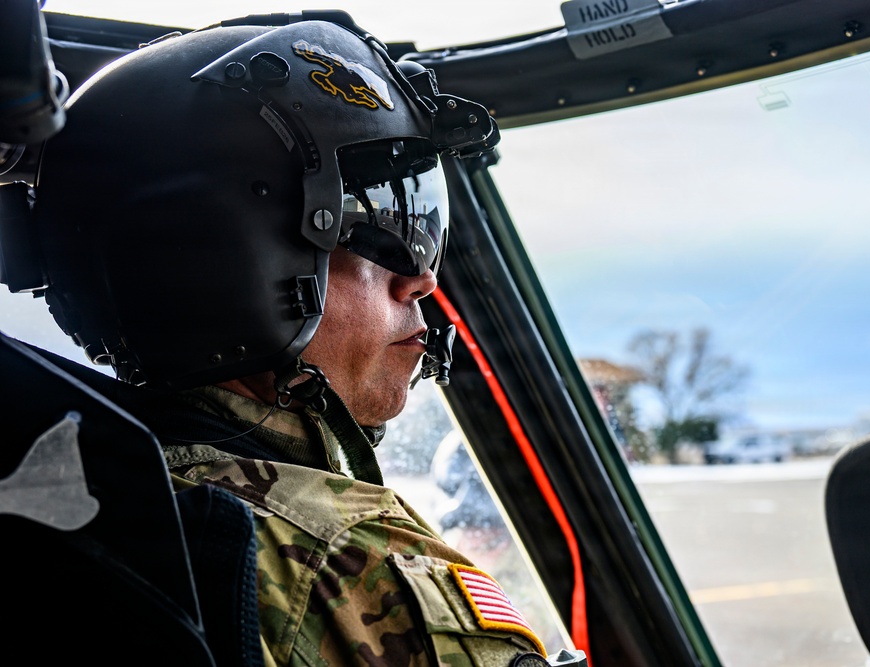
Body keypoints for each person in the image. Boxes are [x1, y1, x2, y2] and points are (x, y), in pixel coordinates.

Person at [2, 13, 563, 667]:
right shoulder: (344, 558)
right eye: (375, 232)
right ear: (226, 262)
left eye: (419, 223)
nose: (422, 277)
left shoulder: (84, 504)